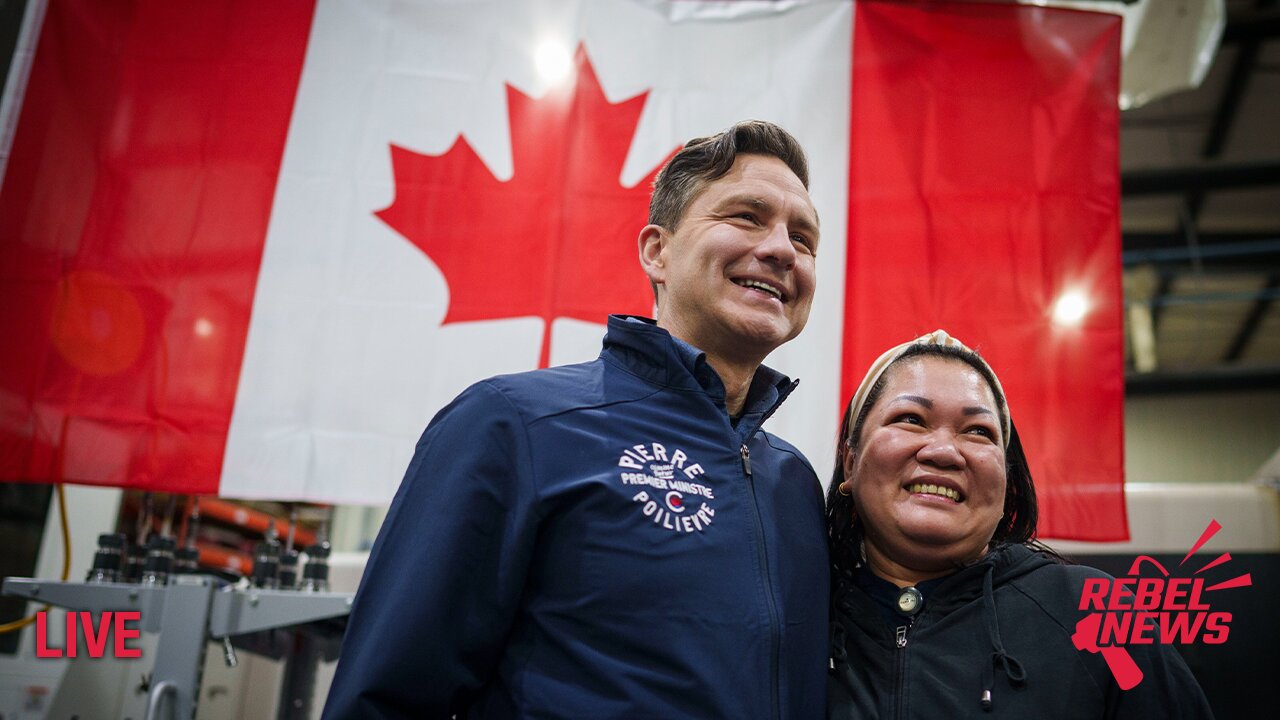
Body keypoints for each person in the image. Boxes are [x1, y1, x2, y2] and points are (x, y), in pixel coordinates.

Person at [323, 120, 829, 719]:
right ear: (657, 251)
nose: (779, 249)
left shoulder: (795, 483)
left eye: (802, 239)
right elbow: (385, 699)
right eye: (746, 217)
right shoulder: (513, 426)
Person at [826, 330, 1214, 719]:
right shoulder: (798, 605)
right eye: (911, 419)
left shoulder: (1096, 614)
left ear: (1008, 480)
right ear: (849, 460)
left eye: (978, 431)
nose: (944, 452)